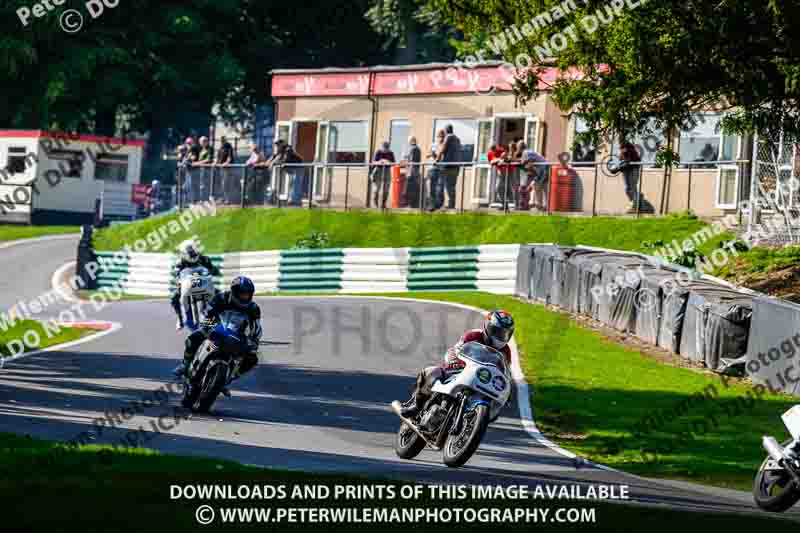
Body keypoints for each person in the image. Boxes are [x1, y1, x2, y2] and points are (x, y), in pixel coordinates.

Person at [398, 310, 515, 418]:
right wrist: (453, 362)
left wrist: (507, 390)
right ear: (487, 327)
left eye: (504, 334)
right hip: (458, 371)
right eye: (496, 331)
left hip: (481, 383)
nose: (499, 336)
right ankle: (416, 405)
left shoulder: (506, 351)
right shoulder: (473, 335)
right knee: (431, 372)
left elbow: (506, 372)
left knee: (493, 408)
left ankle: (471, 422)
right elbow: (456, 350)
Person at [174, 276, 262, 397]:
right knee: (193, 338)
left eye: (247, 294)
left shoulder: (253, 308)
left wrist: (254, 340)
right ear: (234, 291)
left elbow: (256, 327)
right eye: (242, 293)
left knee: (253, 358)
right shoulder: (222, 298)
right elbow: (206, 314)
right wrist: (208, 326)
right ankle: (185, 364)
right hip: (216, 329)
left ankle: (228, 379)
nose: (244, 296)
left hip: (236, 336)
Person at [171, 239, 222, 330]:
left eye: (194, 252)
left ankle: (219, 316)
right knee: (175, 297)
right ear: (184, 254)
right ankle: (180, 318)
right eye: (190, 253)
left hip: (204, 283)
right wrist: (178, 277)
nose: (193, 255)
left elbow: (213, 269)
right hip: (188, 285)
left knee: (219, 294)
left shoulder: (204, 259)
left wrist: (214, 271)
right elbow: (176, 274)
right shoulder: (180, 262)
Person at [438, 124, 462, 209]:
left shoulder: (448, 137)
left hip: (449, 166)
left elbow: (442, 150)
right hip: (456, 166)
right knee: (452, 186)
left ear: (447, 130)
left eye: (444, 130)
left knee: (448, 186)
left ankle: (450, 205)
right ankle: (452, 204)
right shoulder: (457, 139)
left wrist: (437, 160)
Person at [617, 141, 642, 211]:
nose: (622, 150)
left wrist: (622, 166)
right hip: (626, 171)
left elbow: (631, 162)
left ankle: (635, 205)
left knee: (633, 187)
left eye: (623, 148)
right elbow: (621, 163)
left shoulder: (633, 153)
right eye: (621, 148)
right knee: (627, 189)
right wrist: (618, 168)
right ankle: (633, 203)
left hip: (633, 170)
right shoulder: (622, 154)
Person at [371, 141, 396, 209]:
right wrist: (380, 161)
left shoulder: (391, 153)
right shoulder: (378, 152)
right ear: (382, 147)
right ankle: (375, 204)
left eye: (387, 149)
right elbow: (373, 162)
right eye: (384, 148)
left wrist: (388, 162)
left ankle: (383, 204)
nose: (385, 150)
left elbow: (394, 163)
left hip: (387, 171)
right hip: (379, 170)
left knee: (386, 188)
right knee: (377, 188)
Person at [426, 129, 446, 210]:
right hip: (432, 168)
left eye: (442, 137)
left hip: (440, 169)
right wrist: (431, 154)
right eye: (439, 137)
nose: (440, 138)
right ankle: (432, 205)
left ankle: (439, 205)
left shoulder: (444, 145)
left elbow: (443, 157)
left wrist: (437, 156)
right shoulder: (433, 145)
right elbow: (427, 155)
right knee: (432, 188)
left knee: (440, 188)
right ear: (437, 137)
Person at [402, 136, 422, 208]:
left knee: (410, 188)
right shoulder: (417, 148)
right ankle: (411, 204)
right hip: (414, 170)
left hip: (412, 171)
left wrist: (409, 172)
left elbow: (412, 161)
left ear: (411, 141)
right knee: (412, 188)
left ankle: (410, 204)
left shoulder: (413, 149)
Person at [215, 136, 235, 204]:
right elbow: (218, 158)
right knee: (221, 184)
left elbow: (229, 157)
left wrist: (226, 163)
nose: (222, 141)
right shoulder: (220, 148)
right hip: (220, 168)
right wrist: (215, 163)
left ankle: (228, 199)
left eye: (223, 140)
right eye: (221, 140)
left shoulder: (228, 146)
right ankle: (223, 198)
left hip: (227, 168)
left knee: (225, 184)